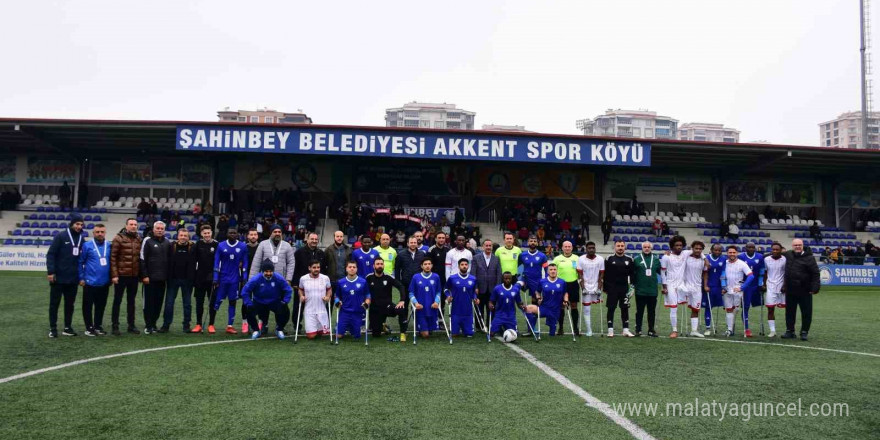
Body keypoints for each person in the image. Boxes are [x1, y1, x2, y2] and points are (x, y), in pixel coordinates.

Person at [46, 214, 85, 337]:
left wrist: (81, 276)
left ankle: (67, 327)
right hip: (58, 277)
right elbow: (51, 254)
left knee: (70, 304)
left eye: (81, 225)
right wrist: (51, 272)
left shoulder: (81, 239)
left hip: (73, 279)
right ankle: (53, 328)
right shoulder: (61, 236)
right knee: (54, 304)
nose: (79, 227)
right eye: (77, 224)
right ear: (72, 224)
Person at [242, 259, 292, 340]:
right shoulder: (255, 279)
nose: (268, 273)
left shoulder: (278, 278)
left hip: (274, 301)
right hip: (259, 301)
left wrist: (285, 301)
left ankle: (279, 329)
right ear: (262, 271)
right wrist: (248, 303)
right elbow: (245, 291)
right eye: (266, 271)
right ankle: (256, 330)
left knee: (285, 310)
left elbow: (288, 290)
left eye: (270, 271)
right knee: (248, 309)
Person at [781, 239, 820, 341]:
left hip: (805, 290)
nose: (797, 247)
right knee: (789, 312)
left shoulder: (810, 258)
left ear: (803, 245)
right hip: (790, 290)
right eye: (795, 245)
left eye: (799, 245)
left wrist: (815, 288)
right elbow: (775, 254)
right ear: (792, 246)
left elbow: (815, 274)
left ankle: (804, 332)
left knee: (806, 312)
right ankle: (790, 331)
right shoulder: (788, 254)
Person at [212, 228, 248, 334]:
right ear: (227, 234)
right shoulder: (221, 245)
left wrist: (244, 278)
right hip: (222, 279)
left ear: (237, 234)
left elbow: (245, 263)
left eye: (234, 233)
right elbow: (216, 262)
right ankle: (211, 324)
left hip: (234, 279)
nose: (232, 234)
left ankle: (230, 325)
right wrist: (215, 277)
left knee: (232, 301)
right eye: (230, 233)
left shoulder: (242, 246)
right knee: (217, 302)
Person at [110, 218, 142, 335]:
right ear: (126, 226)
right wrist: (114, 275)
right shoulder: (118, 238)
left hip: (134, 276)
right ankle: (115, 326)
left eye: (135, 224)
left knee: (131, 302)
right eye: (131, 224)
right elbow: (113, 258)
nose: (133, 226)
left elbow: (139, 259)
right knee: (117, 301)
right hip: (121, 275)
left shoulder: (139, 238)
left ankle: (131, 325)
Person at [159, 228, 195, 333]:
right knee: (169, 303)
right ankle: (166, 325)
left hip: (187, 281)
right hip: (172, 280)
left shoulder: (192, 247)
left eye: (185, 235)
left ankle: (186, 325)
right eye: (181, 235)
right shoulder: (171, 246)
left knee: (187, 304)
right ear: (177, 236)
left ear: (188, 237)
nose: (183, 237)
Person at [78, 224, 111, 336]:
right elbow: (80, 262)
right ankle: (89, 327)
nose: (100, 234)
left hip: (104, 282)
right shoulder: (87, 245)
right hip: (90, 282)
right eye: (97, 232)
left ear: (105, 233)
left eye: (102, 231)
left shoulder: (109, 245)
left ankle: (98, 326)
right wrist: (81, 277)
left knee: (101, 306)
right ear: (93, 233)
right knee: (87, 306)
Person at [140, 221, 171, 334]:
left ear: (164, 230)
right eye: (157, 228)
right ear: (153, 229)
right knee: (148, 303)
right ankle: (148, 325)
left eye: (162, 228)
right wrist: (145, 275)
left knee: (158, 303)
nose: (159, 230)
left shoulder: (167, 242)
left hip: (162, 279)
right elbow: (142, 259)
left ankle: (153, 324)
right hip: (150, 279)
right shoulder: (147, 241)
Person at [365, 257, 407, 339]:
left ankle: (403, 333)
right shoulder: (369, 277)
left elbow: (401, 286)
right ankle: (383, 326)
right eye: (377, 264)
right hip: (375, 309)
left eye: (381, 264)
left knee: (401, 309)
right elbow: (363, 291)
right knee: (376, 335)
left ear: (384, 265)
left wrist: (402, 300)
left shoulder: (388, 277)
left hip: (388, 306)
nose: (379, 266)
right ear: (374, 266)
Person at [522, 263, 566, 336]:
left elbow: (565, 293)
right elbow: (537, 292)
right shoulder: (542, 281)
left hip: (555, 310)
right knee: (528, 308)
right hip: (544, 307)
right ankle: (531, 330)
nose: (553, 271)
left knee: (552, 334)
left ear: (557, 271)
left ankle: (552, 327)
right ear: (547, 271)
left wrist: (565, 301)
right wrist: (538, 298)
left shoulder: (562, 282)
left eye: (554, 269)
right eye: (551, 270)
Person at [602, 241, 635, 338]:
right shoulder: (609, 259)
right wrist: (605, 288)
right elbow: (605, 275)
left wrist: (632, 288)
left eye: (622, 246)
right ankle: (610, 330)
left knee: (625, 308)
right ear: (614, 247)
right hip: (612, 288)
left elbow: (632, 275)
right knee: (611, 308)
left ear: (625, 247)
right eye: (618, 246)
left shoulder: (630, 259)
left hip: (624, 288)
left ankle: (625, 330)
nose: (620, 248)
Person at [721, 245, 755, 337]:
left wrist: (742, 287)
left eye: (734, 252)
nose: (732, 254)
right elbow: (721, 276)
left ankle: (732, 328)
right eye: (730, 252)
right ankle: (729, 330)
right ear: (727, 253)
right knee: (728, 310)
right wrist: (723, 287)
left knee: (735, 310)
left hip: (737, 291)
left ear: (737, 253)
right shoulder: (724, 263)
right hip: (727, 290)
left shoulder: (742, 263)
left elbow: (751, 276)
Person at [660, 235, 689, 338]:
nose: (679, 247)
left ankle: (688, 329)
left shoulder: (686, 254)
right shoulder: (666, 257)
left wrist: (705, 260)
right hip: (670, 284)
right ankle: (674, 330)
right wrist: (664, 287)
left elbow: (698, 252)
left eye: (681, 245)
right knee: (673, 307)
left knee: (686, 305)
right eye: (677, 245)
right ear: (672, 246)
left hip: (682, 284)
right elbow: (663, 273)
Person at [334, 261, 371, 341]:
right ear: (346, 269)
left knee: (356, 336)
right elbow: (337, 296)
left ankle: (351, 328)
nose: (352, 269)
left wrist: (366, 303)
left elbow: (368, 295)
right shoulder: (341, 282)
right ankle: (342, 326)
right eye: (350, 267)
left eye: (354, 267)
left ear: (357, 269)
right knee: (339, 336)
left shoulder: (363, 281)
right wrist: (337, 302)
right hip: (345, 312)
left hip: (357, 312)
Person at [191, 225, 217, 333]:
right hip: (200, 278)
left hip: (212, 279)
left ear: (211, 233)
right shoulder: (198, 244)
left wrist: (216, 277)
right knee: (199, 302)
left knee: (212, 302)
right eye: (205, 233)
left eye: (208, 233)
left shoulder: (216, 244)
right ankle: (198, 324)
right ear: (201, 234)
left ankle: (211, 324)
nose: (207, 235)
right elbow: (193, 261)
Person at [297, 260, 332, 339]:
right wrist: (301, 296)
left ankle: (320, 329)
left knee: (325, 334)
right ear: (309, 268)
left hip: (321, 310)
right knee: (311, 336)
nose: (316, 269)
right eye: (314, 267)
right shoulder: (303, 279)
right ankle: (314, 330)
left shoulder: (325, 278)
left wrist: (327, 296)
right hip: (309, 310)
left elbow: (329, 289)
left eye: (318, 267)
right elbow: (300, 289)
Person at [632, 241, 661, 337]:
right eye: (645, 247)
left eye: (648, 247)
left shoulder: (656, 260)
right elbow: (632, 275)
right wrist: (632, 286)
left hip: (652, 291)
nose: (647, 248)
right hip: (640, 291)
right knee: (639, 311)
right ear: (642, 248)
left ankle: (651, 330)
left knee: (651, 312)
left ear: (651, 248)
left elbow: (662, 272)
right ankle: (638, 329)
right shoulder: (636, 259)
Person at [408, 258, 442, 339]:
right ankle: (422, 329)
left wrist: (436, 302)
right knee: (425, 335)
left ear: (432, 265)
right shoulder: (416, 277)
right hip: (420, 309)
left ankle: (426, 328)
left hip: (432, 308)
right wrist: (416, 303)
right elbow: (411, 293)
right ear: (422, 266)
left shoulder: (436, 276)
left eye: (429, 264)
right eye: (425, 264)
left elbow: (438, 292)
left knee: (431, 331)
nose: (427, 266)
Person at [552, 241, 580, 336]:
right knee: (561, 307)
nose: (567, 248)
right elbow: (552, 271)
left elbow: (580, 272)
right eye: (565, 246)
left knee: (574, 306)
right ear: (562, 248)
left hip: (573, 284)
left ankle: (575, 328)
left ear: (572, 248)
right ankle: (561, 328)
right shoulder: (557, 259)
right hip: (561, 285)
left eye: (569, 246)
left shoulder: (577, 258)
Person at [445, 258, 478, 337]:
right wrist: (448, 296)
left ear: (468, 266)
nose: (464, 266)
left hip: (468, 311)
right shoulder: (452, 278)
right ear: (458, 266)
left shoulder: (473, 279)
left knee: (469, 335)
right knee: (455, 335)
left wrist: (475, 298)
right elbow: (446, 289)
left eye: (466, 265)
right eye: (462, 265)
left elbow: (474, 292)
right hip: (456, 311)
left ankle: (467, 327)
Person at [576, 241, 604, 337]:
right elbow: (580, 275)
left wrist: (599, 288)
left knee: (597, 308)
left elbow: (601, 275)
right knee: (586, 309)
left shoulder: (600, 259)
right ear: (586, 249)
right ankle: (589, 330)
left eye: (593, 248)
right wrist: (583, 288)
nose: (591, 249)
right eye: (589, 248)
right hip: (586, 286)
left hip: (596, 285)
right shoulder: (581, 259)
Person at [680, 241, 707, 338]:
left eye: (700, 249)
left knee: (696, 309)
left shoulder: (703, 260)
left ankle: (694, 330)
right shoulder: (686, 257)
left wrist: (705, 285)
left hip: (697, 288)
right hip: (685, 286)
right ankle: (676, 329)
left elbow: (706, 271)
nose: (698, 250)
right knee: (680, 306)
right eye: (696, 248)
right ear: (692, 248)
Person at [739, 242, 765, 338]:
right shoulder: (741, 256)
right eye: (749, 247)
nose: (750, 249)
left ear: (755, 248)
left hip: (755, 286)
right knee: (745, 307)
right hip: (745, 286)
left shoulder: (760, 256)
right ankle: (746, 328)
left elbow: (762, 271)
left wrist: (760, 283)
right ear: (745, 248)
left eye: (752, 247)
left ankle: (762, 328)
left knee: (760, 305)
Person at [763, 242, 787, 338]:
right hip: (770, 287)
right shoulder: (766, 259)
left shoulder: (785, 259)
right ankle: (772, 331)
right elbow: (765, 272)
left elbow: (786, 273)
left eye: (777, 249)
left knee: (788, 309)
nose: (775, 251)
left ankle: (789, 329)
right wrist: (764, 284)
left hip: (782, 287)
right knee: (770, 309)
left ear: (781, 250)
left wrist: (785, 285)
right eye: (773, 249)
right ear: (771, 250)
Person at [702, 243, 726, 335]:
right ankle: (708, 328)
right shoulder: (707, 258)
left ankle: (728, 328)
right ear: (711, 250)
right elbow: (705, 273)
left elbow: (723, 273)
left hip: (719, 287)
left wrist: (724, 287)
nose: (717, 252)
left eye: (719, 250)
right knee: (708, 307)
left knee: (724, 307)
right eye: (715, 250)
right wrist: (705, 285)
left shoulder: (723, 259)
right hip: (709, 287)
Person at [518, 235, 549, 303]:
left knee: (535, 300)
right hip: (525, 279)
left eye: (535, 241)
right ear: (528, 243)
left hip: (537, 280)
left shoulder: (542, 256)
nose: (533, 242)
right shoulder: (522, 255)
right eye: (531, 241)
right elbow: (519, 268)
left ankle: (535, 313)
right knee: (515, 290)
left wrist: (546, 280)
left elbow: (547, 269)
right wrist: (520, 279)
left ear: (537, 243)